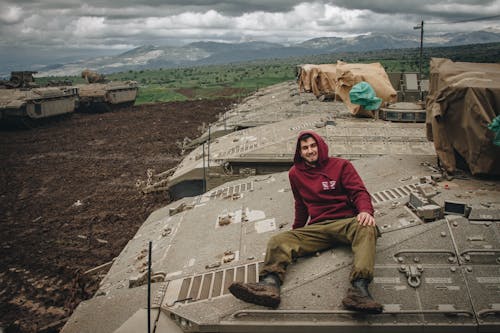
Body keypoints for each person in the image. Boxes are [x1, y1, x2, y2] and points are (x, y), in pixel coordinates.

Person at [229, 130, 383, 313]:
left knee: (367, 228)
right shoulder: (295, 174)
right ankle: (269, 285)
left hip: (346, 222)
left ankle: (360, 290)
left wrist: (365, 211)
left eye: (313, 146)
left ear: (320, 146)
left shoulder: (342, 166)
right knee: (278, 241)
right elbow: (300, 204)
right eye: (305, 148)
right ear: (300, 152)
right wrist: (296, 232)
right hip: (318, 227)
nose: (310, 151)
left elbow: (359, 192)